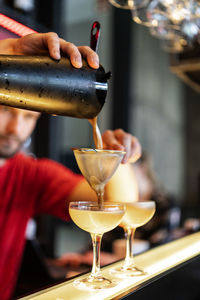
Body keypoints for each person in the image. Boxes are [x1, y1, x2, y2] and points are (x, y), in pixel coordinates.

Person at [0, 32, 141, 300]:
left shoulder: (30, 175)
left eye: (28, 116)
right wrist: (10, 48)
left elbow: (119, 207)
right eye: (6, 109)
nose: (15, 128)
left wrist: (116, 158)